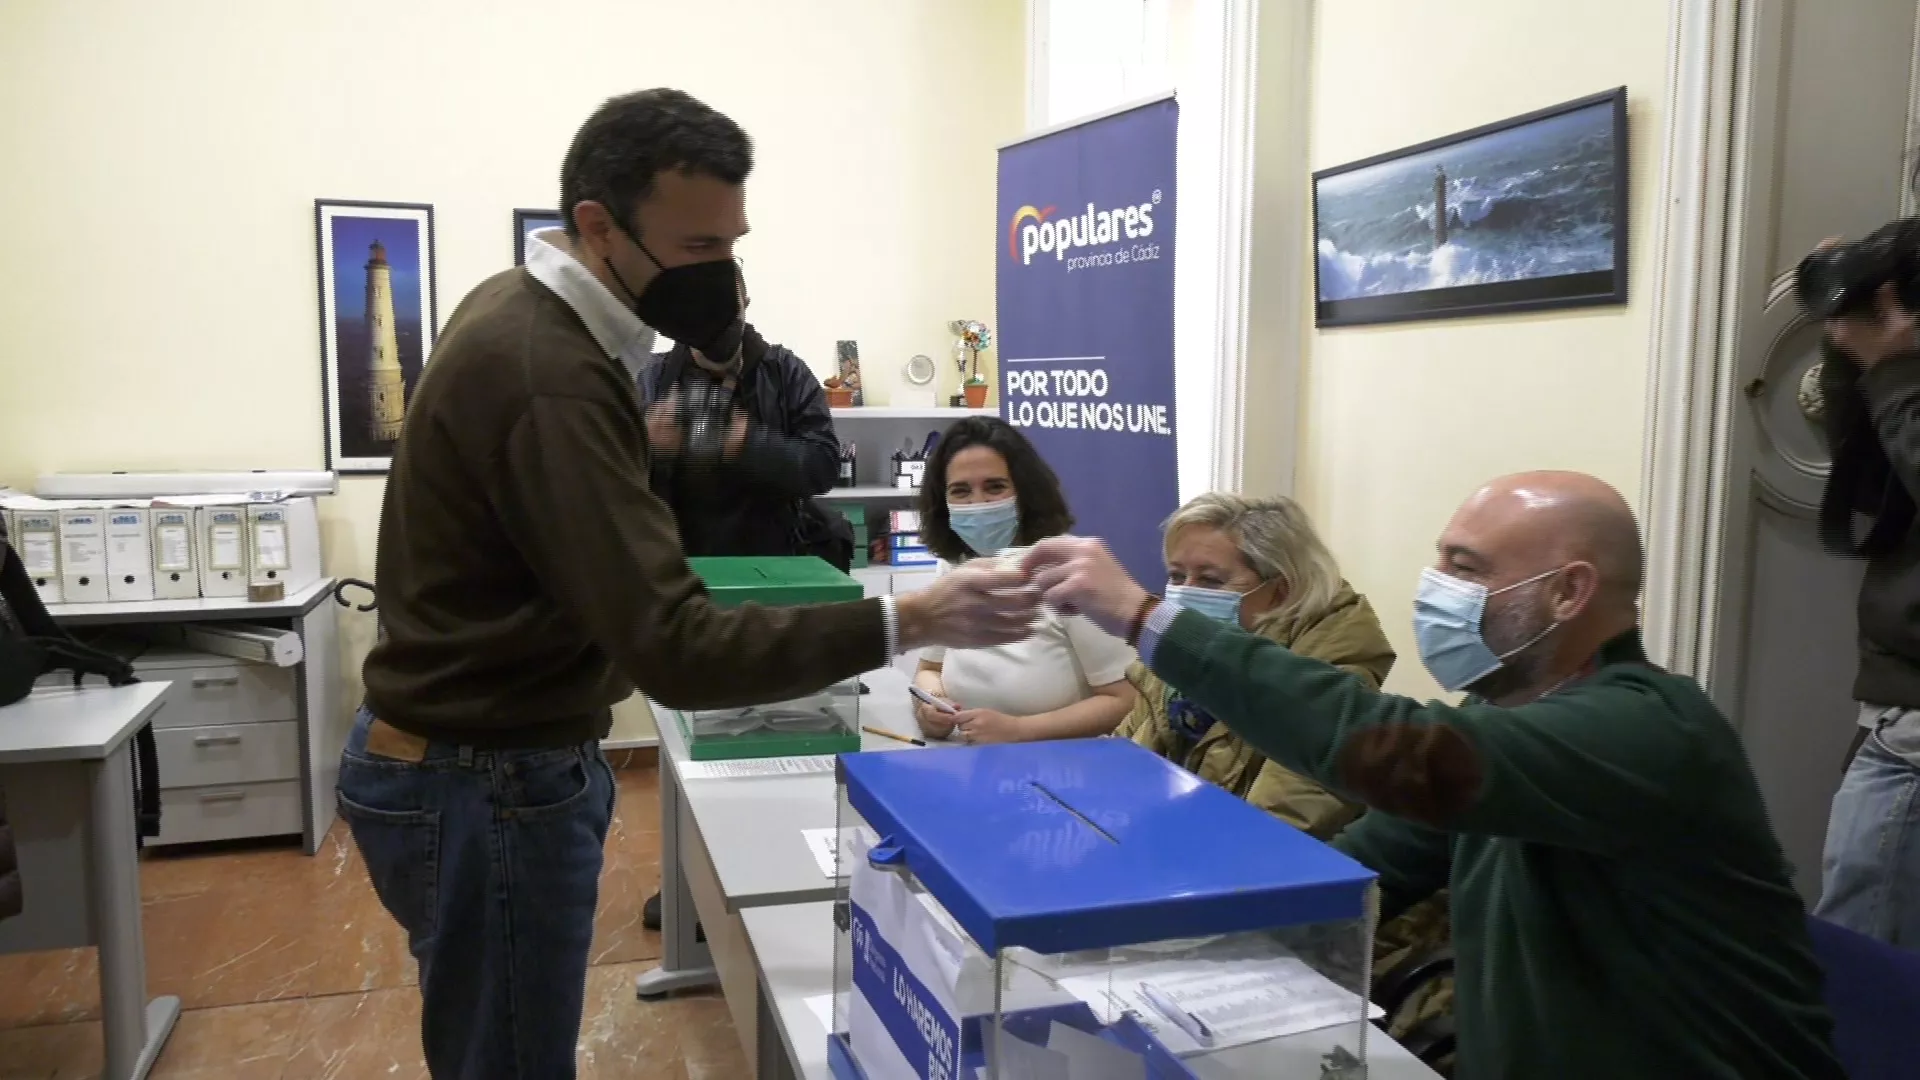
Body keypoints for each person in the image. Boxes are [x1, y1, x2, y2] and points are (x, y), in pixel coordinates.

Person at [345, 89, 1039, 1080]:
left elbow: (798, 470)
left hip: (478, 757)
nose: (725, 273)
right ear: (598, 226)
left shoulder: (521, 310)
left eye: (734, 241)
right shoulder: (553, 370)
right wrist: (909, 613)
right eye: (699, 246)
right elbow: (671, 645)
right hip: (486, 777)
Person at [1023, 471, 1845, 1079]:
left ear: (1569, 593)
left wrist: (1144, 617)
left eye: (1465, 567)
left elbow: (1395, 751)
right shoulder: (1509, 723)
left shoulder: (1645, 730)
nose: (1437, 590)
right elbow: (1357, 872)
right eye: (1439, 563)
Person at [1116, 492, 1451, 1057]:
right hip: (1186, 906)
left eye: (1211, 578)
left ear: (1281, 589)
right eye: (1177, 576)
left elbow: (1275, 837)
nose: (1186, 592)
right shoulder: (1175, 667)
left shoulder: (1327, 679)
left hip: (1308, 952)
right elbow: (1120, 775)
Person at [1810, 258, 1920, 951]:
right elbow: (1870, 494)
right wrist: (1849, 360)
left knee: (1860, 955)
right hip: (1895, 708)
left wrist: (1898, 371)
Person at [910, 416, 1136, 745]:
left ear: (1025, 492)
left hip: (1062, 770)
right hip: (969, 762)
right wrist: (930, 705)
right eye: (961, 491)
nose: (978, 504)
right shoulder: (953, 567)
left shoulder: (1072, 572)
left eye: (995, 487)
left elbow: (1125, 700)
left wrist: (1020, 730)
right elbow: (929, 668)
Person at [638, 301, 854, 567]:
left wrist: (746, 443)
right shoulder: (652, 378)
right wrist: (649, 446)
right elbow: (616, 483)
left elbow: (824, 467)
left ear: (743, 303)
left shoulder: (785, 372)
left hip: (773, 559)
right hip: (679, 562)